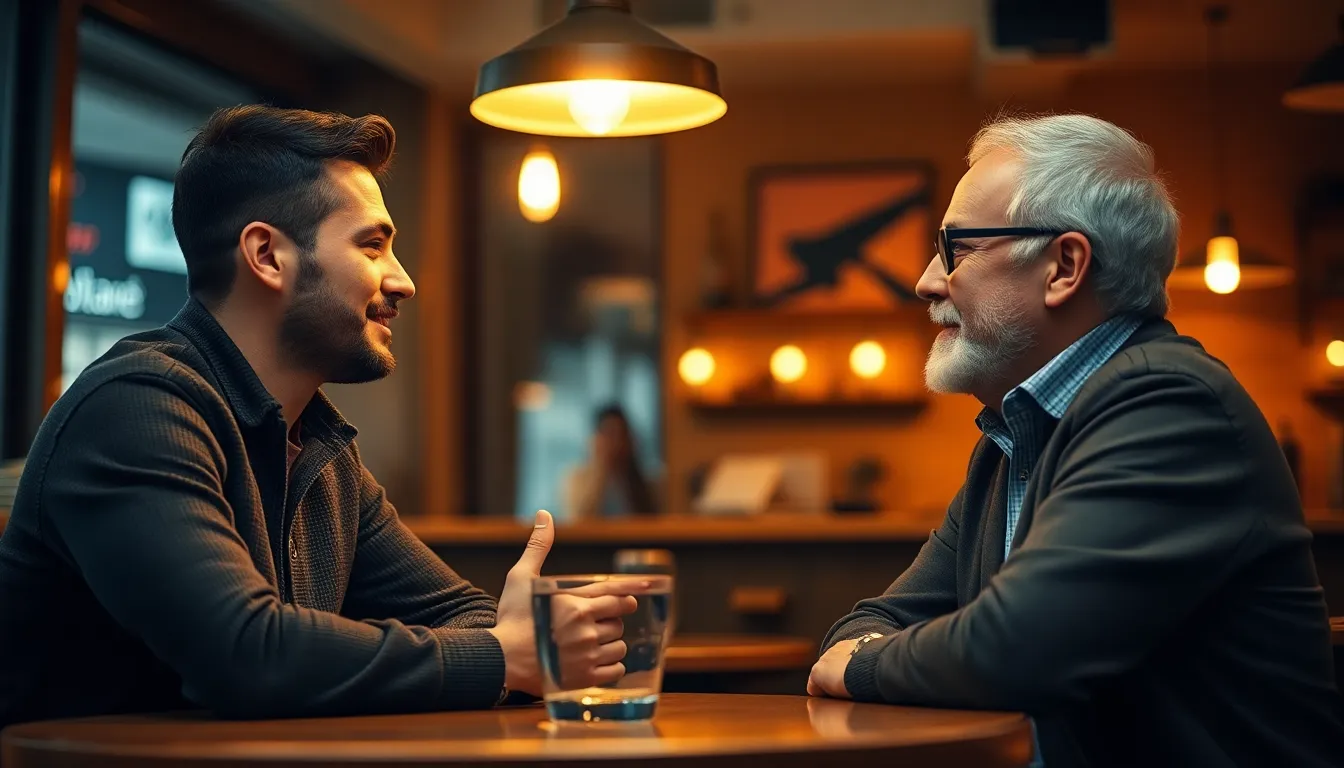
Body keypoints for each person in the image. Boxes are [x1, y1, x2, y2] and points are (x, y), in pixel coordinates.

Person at [0, 106, 639, 729]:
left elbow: (467, 618)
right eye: (373, 246)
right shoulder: (137, 406)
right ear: (268, 255)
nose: (403, 281)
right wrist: (503, 657)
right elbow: (247, 655)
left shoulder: (318, 445)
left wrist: (499, 648)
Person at [807, 114, 1344, 766]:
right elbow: (872, 622)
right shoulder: (1010, 439)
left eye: (957, 250)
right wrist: (875, 652)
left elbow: (1015, 648)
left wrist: (863, 665)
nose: (926, 282)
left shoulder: (1168, 406)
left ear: (1064, 265)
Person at [562, 404, 657, 519]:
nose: (616, 443)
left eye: (621, 435)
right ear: (597, 438)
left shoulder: (644, 481)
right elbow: (578, 521)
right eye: (609, 434)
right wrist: (600, 469)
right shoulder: (577, 478)